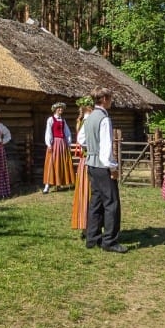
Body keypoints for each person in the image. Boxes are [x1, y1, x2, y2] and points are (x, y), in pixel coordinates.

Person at [83, 87, 125, 253]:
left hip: (91, 164)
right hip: (102, 165)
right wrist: (113, 167)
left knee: (96, 201)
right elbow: (106, 147)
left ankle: (92, 238)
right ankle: (109, 241)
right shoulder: (104, 119)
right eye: (111, 98)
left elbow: (82, 140)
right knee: (112, 203)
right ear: (105, 99)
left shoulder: (90, 117)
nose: (112, 101)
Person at [70, 97, 94, 234]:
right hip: (88, 160)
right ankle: (87, 226)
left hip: (86, 160)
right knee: (88, 192)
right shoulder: (87, 121)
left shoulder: (85, 120)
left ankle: (88, 226)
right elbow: (81, 140)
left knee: (89, 192)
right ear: (89, 108)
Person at [42, 102, 75, 194]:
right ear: (55, 109)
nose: (61, 110)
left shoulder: (63, 120)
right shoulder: (50, 119)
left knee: (61, 163)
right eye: (59, 108)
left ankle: (59, 183)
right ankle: (47, 186)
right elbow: (48, 132)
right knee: (51, 163)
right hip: (55, 143)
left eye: (62, 109)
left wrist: (68, 142)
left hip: (62, 143)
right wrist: (49, 144)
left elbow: (67, 132)